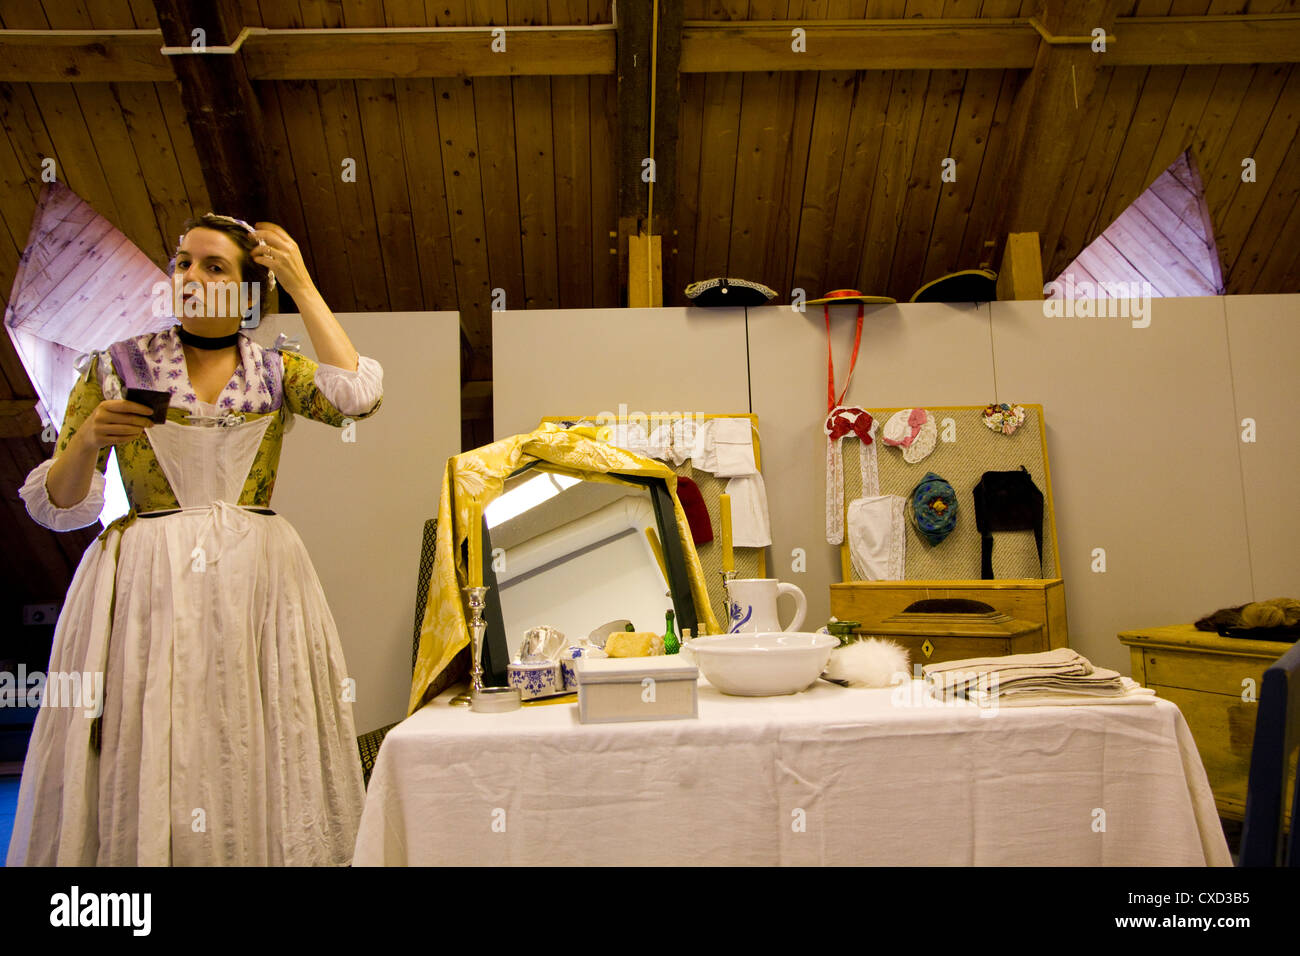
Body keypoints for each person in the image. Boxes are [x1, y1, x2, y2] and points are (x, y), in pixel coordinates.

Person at [6, 214, 383, 865]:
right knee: (157, 728)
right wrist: (91, 436)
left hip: (257, 581)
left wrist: (301, 282)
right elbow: (61, 504)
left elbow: (358, 397)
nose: (191, 276)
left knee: (255, 725)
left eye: (214, 267)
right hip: (148, 577)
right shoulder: (116, 366)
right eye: (183, 262)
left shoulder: (274, 371)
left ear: (245, 291)